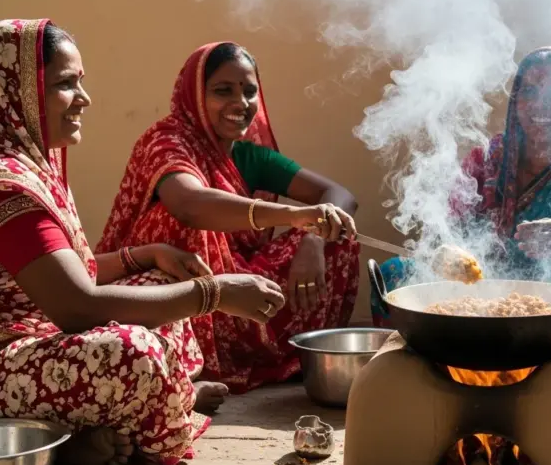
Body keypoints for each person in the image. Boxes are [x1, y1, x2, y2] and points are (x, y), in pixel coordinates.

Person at [0, 19, 287, 465]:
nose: (84, 98)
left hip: (23, 336)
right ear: (12, 92)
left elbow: (57, 272)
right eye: (65, 84)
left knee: (157, 280)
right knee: (136, 354)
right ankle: (112, 423)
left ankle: (82, 433)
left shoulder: (19, 160)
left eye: (81, 82)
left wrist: (144, 255)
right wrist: (216, 294)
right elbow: (75, 304)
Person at [96, 42, 360, 393]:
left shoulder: (251, 156)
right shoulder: (164, 141)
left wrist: (312, 237)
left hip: (241, 290)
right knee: (178, 221)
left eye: (250, 92)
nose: (241, 103)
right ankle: (194, 358)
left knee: (339, 234)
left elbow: (341, 197)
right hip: (181, 287)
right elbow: (189, 203)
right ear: (193, 95)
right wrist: (297, 215)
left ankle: (280, 352)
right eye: (223, 91)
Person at [370, 46, 551, 375]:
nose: (542, 106)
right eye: (530, 91)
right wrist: (444, 250)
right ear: (516, 100)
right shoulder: (486, 158)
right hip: (482, 285)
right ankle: (419, 378)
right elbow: (447, 229)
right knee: (394, 273)